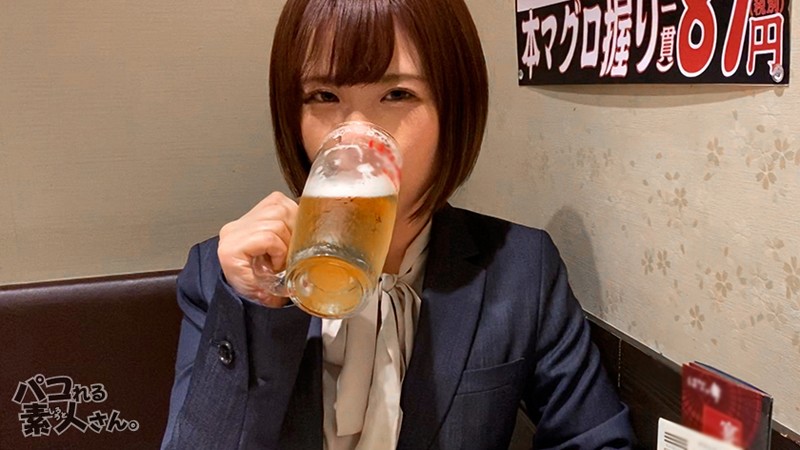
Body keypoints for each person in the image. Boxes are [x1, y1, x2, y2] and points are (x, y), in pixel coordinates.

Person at [161, 0, 637, 448]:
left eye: (397, 94)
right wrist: (255, 307)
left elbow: (596, 439)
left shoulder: (521, 269)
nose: (357, 137)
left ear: (455, 108)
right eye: (324, 96)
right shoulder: (223, 274)